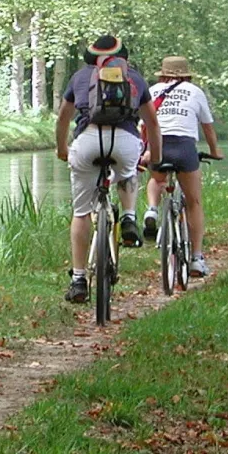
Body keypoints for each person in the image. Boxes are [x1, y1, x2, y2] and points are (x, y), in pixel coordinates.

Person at [55, 35, 162, 304]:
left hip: (88, 141)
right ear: (122, 57)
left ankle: (79, 279)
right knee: (128, 174)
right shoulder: (134, 78)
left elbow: (63, 119)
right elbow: (153, 124)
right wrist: (156, 158)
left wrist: (61, 149)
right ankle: (128, 217)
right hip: (125, 142)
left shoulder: (79, 77)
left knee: (80, 213)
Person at [141, 56, 223, 278]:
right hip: (184, 146)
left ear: (163, 73)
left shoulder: (153, 90)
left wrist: (145, 150)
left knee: (157, 179)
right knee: (194, 202)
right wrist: (215, 151)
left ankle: (152, 209)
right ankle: (196, 258)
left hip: (159, 144)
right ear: (186, 74)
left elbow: (143, 125)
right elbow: (208, 127)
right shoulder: (194, 92)